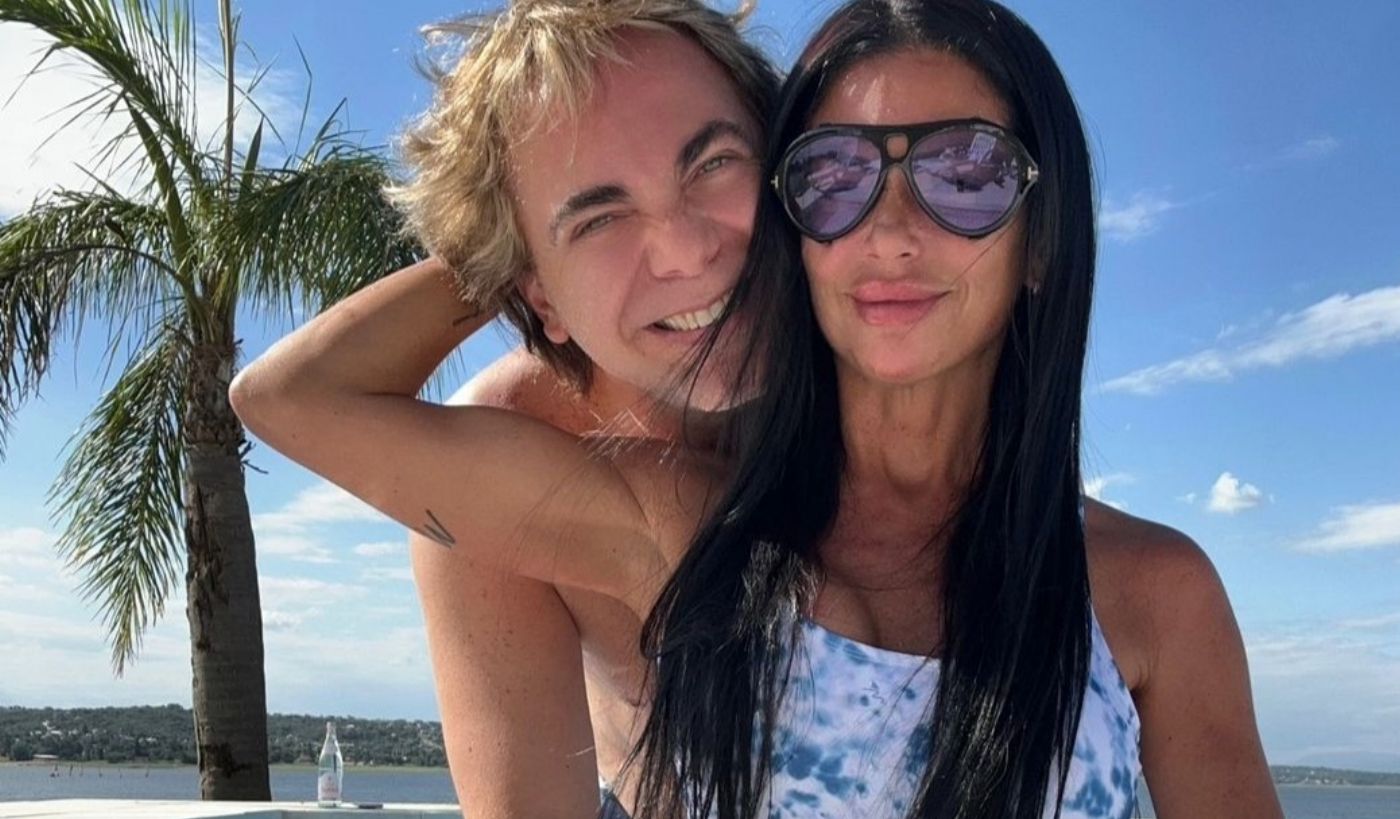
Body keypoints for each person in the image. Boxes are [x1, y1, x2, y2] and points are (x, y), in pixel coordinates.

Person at [231, 1, 1283, 818]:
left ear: (1044, 236)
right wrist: (525, 238)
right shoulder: (668, 520)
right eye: (841, 177)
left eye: (967, 174)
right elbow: (291, 398)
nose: (891, 229)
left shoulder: (1154, 590)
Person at [241, 2, 776, 816]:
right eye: (599, 217)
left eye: (714, 164)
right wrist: (511, 248)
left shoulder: (900, 351)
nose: (686, 250)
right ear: (539, 297)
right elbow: (286, 396)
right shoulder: (511, 446)